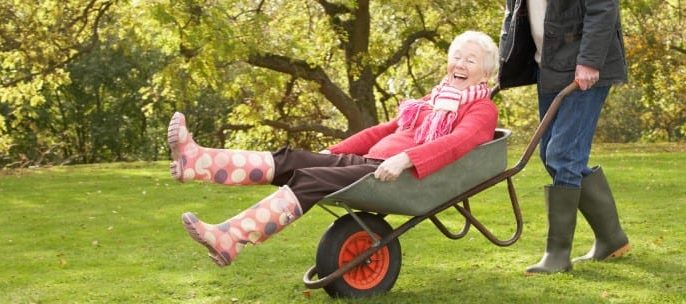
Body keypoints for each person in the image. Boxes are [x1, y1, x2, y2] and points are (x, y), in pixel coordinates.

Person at [168, 30, 499, 266]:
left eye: (471, 60)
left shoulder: (482, 109)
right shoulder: (433, 99)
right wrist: (333, 152)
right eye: (456, 56)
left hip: (401, 175)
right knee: (291, 159)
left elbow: (456, 143)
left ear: (486, 73)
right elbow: (385, 130)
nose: (460, 63)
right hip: (372, 161)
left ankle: (232, 238)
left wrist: (404, 159)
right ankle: (196, 162)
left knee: (309, 181)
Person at [498, 0, 630, 275]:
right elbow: (520, 8)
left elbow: (603, 3)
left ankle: (557, 256)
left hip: (585, 67)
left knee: (565, 153)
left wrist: (589, 61)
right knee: (554, 157)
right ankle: (612, 239)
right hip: (549, 65)